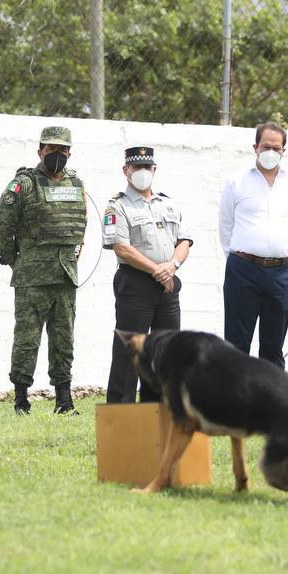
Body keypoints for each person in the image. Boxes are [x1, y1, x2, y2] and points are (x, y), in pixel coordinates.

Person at [0, 126, 87, 415]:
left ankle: (64, 401)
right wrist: (17, 261)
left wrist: (73, 255)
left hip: (64, 276)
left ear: (69, 152)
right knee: (27, 340)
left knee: (64, 340)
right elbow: (0, 227)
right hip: (31, 278)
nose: (57, 154)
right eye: (51, 149)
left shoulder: (76, 184)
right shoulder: (24, 184)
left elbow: (80, 227)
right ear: (40, 151)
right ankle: (21, 400)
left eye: (62, 150)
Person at [103, 146, 192, 403]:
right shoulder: (117, 206)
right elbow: (121, 247)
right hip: (136, 284)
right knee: (129, 350)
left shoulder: (168, 203)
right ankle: (121, 414)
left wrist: (172, 266)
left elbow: (184, 240)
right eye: (136, 167)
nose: (142, 171)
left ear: (154, 170)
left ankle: (163, 409)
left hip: (168, 284)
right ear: (126, 170)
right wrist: (157, 270)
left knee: (168, 351)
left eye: (147, 167)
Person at [217, 120, 288, 368]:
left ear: (283, 151)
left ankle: (270, 394)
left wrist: (280, 250)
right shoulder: (236, 181)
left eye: (276, 148)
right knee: (236, 346)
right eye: (266, 146)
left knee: (273, 347)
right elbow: (225, 226)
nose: (271, 152)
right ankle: (235, 394)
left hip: (281, 273)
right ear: (255, 147)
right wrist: (238, 258)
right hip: (243, 270)